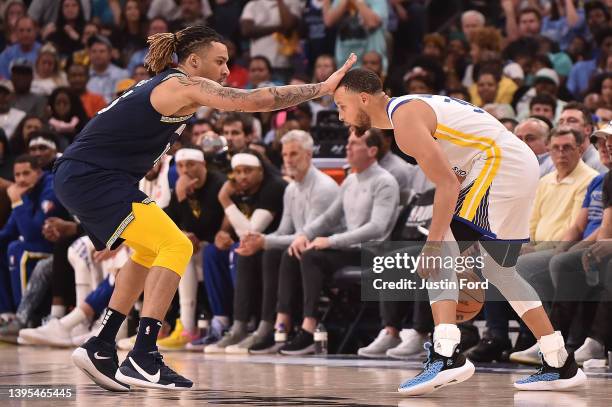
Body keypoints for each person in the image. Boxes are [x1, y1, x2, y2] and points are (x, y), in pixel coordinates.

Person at [55, 24, 355, 392]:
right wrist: (322, 88)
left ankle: (102, 344)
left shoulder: (174, 88)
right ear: (193, 61)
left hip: (90, 176)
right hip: (94, 177)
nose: (227, 71)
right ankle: (143, 355)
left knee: (150, 250)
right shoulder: (182, 84)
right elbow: (256, 100)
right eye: (220, 61)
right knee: (177, 245)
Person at [332, 68, 586, 395]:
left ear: (363, 99)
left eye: (341, 105)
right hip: (513, 164)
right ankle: (559, 361)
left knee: (439, 252)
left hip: (499, 165)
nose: (340, 115)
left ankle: (446, 354)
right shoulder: (410, 110)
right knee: (500, 271)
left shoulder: (405, 121)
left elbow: (448, 184)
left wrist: (434, 244)